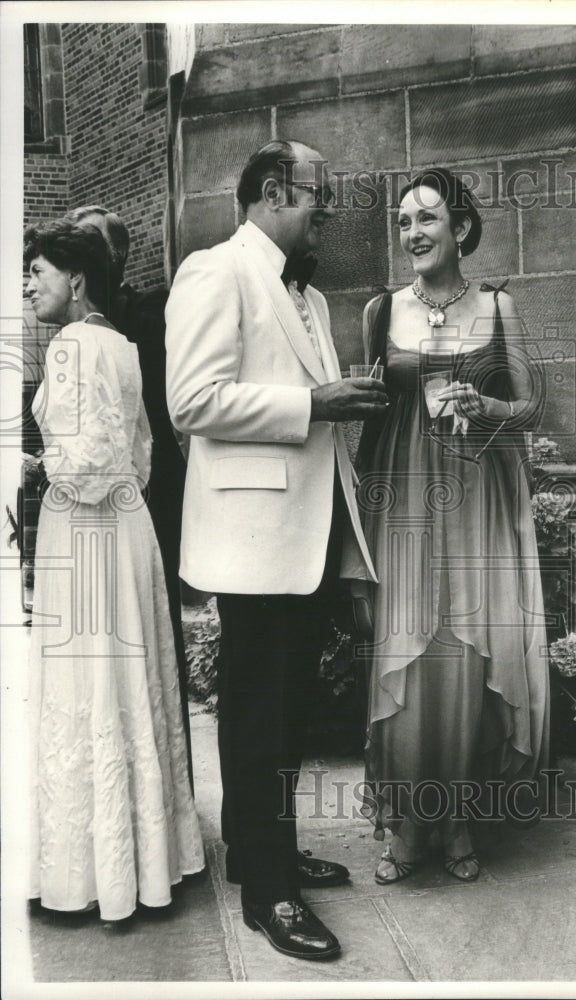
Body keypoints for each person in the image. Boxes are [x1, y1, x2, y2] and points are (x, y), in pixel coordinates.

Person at [164, 140, 388, 961]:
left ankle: (265, 849)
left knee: (286, 707)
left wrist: (340, 406)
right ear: (269, 193)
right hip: (252, 540)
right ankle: (268, 894)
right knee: (259, 712)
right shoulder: (212, 271)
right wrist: (313, 400)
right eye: (315, 196)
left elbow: (304, 412)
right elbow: (192, 400)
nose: (325, 210)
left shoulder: (314, 300)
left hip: (311, 531)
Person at [355, 168, 550, 885]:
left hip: (476, 497)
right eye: (404, 222)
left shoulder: (498, 306)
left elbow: (530, 408)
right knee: (405, 649)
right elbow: (369, 424)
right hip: (403, 500)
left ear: (460, 229)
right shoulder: (382, 311)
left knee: (466, 655)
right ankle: (406, 826)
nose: (413, 233)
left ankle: (459, 817)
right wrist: (359, 535)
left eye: (427, 219)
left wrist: (484, 405)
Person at [24, 219, 204, 924]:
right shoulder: (123, 348)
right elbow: (141, 452)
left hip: (89, 535)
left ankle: (93, 876)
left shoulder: (70, 347)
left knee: (92, 684)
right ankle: (149, 858)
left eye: (36, 271)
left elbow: (89, 466)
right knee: (128, 687)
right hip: (127, 532)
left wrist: (36, 466)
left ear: (76, 279)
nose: (26, 285)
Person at [65, 205, 193, 787]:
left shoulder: (150, 313)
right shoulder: (70, 326)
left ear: (117, 258)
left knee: (153, 636)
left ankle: (168, 784)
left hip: (153, 495)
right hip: (91, 504)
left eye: (91, 245)